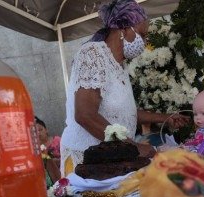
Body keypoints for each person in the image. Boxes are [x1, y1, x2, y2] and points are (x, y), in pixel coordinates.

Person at [59, 0, 189, 176]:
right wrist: (133, 147)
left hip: (115, 158)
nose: (145, 41)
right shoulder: (92, 54)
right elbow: (85, 115)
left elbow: (124, 113)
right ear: (123, 30)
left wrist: (165, 118)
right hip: (86, 163)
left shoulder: (120, 65)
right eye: (142, 35)